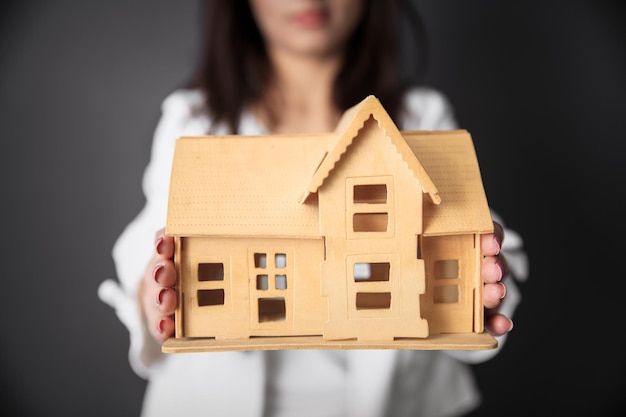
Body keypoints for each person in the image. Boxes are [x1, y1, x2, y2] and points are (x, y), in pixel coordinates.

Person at [98, 1, 528, 416]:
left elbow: (476, 229)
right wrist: (153, 296)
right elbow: (148, 246)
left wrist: (482, 288)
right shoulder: (191, 121)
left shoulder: (421, 117)